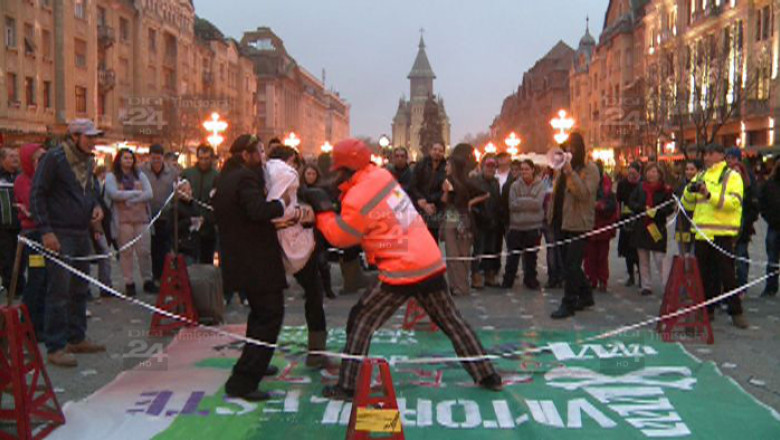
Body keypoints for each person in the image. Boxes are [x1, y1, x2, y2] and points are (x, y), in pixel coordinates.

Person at [308, 138, 502, 399]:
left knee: (362, 319)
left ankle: (348, 385)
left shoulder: (359, 195)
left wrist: (323, 213)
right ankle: (487, 373)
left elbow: (343, 236)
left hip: (401, 268)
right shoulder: (381, 176)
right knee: (452, 322)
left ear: (347, 168)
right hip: (427, 259)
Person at [213, 134, 296, 401]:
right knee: (270, 315)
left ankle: (256, 363)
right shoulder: (245, 178)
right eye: (259, 152)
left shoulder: (225, 177)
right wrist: (282, 202)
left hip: (242, 260)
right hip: (256, 261)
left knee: (260, 315)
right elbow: (258, 210)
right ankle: (244, 380)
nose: (263, 158)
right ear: (246, 155)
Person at [30, 119, 106, 367]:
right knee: (58, 291)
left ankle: (76, 337)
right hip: (60, 233)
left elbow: (91, 191)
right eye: (89, 137)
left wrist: (95, 208)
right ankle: (55, 345)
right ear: (74, 137)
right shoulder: (54, 159)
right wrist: (46, 231)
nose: (93, 142)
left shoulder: (88, 161)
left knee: (79, 288)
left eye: (95, 137)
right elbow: (37, 193)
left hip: (81, 232)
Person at [266, 146, 330, 368]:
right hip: (292, 240)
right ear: (291, 160)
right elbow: (277, 208)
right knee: (314, 292)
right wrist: (300, 213)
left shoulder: (264, 171)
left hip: (270, 242)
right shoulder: (286, 173)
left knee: (268, 304)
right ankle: (317, 353)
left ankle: (259, 358)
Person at [682, 143, 748, 328]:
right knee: (703, 276)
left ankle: (736, 312)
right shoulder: (701, 175)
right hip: (702, 234)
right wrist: (689, 190)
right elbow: (687, 204)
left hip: (722, 233)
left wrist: (709, 194)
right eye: (705, 153)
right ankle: (706, 311)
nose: (706, 157)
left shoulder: (731, 176)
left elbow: (734, 203)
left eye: (710, 154)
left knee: (727, 275)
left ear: (721, 155)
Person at [549, 133, 600, 319]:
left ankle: (568, 303)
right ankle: (586, 294)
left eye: (573, 148)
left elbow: (584, 194)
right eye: (567, 148)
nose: (569, 152)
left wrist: (570, 172)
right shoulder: (561, 169)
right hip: (561, 221)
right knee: (567, 264)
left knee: (572, 264)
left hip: (579, 223)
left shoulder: (590, 169)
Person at [105, 149, 154, 297]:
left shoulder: (140, 175)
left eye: (130, 158)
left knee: (144, 251)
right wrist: (136, 193)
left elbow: (149, 193)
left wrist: (130, 199)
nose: (128, 161)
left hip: (142, 219)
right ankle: (129, 282)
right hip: (122, 220)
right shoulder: (111, 177)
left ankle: (147, 279)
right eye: (125, 158)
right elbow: (113, 194)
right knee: (126, 253)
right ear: (119, 159)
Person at [442, 144, 488, 296]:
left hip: (458, 216)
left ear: (455, 166)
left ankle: (459, 285)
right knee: (458, 253)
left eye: (448, 164)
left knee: (458, 253)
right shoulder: (457, 180)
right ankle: (458, 285)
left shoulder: (459, 181)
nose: (446, 167)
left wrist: (470, 202)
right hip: (458, 216)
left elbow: (445, 200)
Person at [628, 163, 673, 296]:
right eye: (649, 171)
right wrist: (642, 209)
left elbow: (669, 208)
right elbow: (631, 202)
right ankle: (646, 285)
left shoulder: (665, 190)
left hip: (656, 227)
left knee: (660, 258)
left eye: (654, 172)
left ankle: (667, 284)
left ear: (659, 174)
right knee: (643, 258)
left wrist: (657, 212)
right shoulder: (640, 187)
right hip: (641, 227)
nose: (651, 174)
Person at [15, 144, 46, 336]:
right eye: (38, 159)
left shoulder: (43, 179)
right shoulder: (23, 180)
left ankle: (41, 322)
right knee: (36, 278)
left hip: (45, 233)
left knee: (46, 280)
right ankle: (29, 324)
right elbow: (33, 205)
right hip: (32, 236)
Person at [502, 159, 545, 289]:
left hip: (533, 226)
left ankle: (530, 280)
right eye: (522, 169)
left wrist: (521, 200)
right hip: (517, 226)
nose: (524, 172)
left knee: (531, 257)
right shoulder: (514, 186)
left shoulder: (540, 185)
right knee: (513, 256)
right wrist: (530, 199)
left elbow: (538, 204)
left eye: (526, 169)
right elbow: (512, 205)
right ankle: (508, 280)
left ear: (532, 170)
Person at [141, 144, 178, 285]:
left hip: (165, 214)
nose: (156, 160)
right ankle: (152, 275)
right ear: (149, 157)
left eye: (159, 157)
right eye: (153, 157)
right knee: (150, 247)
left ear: (163, 157)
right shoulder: (142, 171)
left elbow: (177, 189)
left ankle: (162, 274)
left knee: (164, 247)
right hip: (148, 215)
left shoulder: (172, 172)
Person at [725, 147, 759, 295]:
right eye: (728, 158)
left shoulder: (748, 178)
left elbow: (754, 202)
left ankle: (741, 286)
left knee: (741, 255)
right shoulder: (724, 175)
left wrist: (749, 220)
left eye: (733, 158)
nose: (730, 161)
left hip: (743, 223)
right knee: (729, 258)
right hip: (727, 222)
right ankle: (731, 286)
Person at [301, 164, 337, 299]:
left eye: (313, 174)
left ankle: (327, 288)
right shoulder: (301, 190)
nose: (310, 177)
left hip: (320, 229)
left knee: (322, 261)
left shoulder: (322, 190)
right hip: (305, 229)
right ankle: (311, 288)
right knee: (308, 262)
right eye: (308, 174)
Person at [584, 160, 618, 292]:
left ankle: (602, 279)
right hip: (589, 224)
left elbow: (612, 206)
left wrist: (600, 206)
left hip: (603, 224)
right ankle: (591, 278)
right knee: (589, 255)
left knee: (602, 256)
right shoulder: (587, 183)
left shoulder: (607, 186)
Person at [181, 145, 219, 264]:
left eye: (207, 158)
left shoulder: (217, 176)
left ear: (212, 159)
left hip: (208, 226)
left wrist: (207, 218)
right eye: (201, 158)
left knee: (206, 260)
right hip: (188, 224)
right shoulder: (187, 174)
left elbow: (217, 201)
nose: (203, 161)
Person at [471, 155, 503, 288]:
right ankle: (476, 276)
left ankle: (489, 275)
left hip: (493, 221)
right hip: (480, 221)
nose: (490, 169)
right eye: (488, 166)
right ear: (482, 167)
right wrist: (480, 215)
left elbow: (497, 201)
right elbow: (472, 202)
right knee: (479, 250)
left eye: (493, 167)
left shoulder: (495, 182)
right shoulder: (476, 181)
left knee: (491, 250)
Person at [410, 142, 447, 241]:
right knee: (417, 238)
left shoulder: (446, 169)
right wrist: (421, 200)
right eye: (435, 149)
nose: (437, 152)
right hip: (419, 205)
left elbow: (443, 190)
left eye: (440, 151)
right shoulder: (421, 164)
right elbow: (413, 185)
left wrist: (430, 203)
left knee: (433, 239)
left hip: (435, 208)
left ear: (443, 153)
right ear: (430, 151)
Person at [616, 162, 642, 286]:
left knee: (638, 250)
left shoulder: (642, 185)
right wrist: (618, 219)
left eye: (633, 173)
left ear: (638, 173)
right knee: (627, 250)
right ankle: (631, 275)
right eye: (629, 173)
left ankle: (642, 276)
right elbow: (618, 202)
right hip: (626, 220)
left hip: (638, 220)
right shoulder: (622, 185)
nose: (631, 176)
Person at [0, 147, 22, 293]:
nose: (15, 159)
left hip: (20, 225)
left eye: (16, 156)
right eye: (11, 156)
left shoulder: (21, 177)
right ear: (2, 160)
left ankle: (19, 285)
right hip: (3, 226)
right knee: (6, 258)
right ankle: (10, 287)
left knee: (20, 258)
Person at [759, 160, 780, 297]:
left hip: (773, 225)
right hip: (774, 226)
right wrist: (769, 217)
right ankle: (771, 287)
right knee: (772, 259)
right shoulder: (769, 185)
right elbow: (762, 204)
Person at [541, 166, 564, 288]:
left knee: (560, 248)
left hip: (561, 218)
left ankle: (561, 275)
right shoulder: (546, 180)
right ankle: (553, 276)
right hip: (549, 218)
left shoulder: (564, 179)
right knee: (552, 247)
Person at [674, 160, 702, 254]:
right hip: (682, 225)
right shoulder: (680, 185)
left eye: (692, 169)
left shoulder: (702, 185)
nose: (689, 172)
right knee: (683, 257)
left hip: (697, 225)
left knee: (694, 257)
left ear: (698, 171)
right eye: (687, 169)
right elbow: (674, 199)